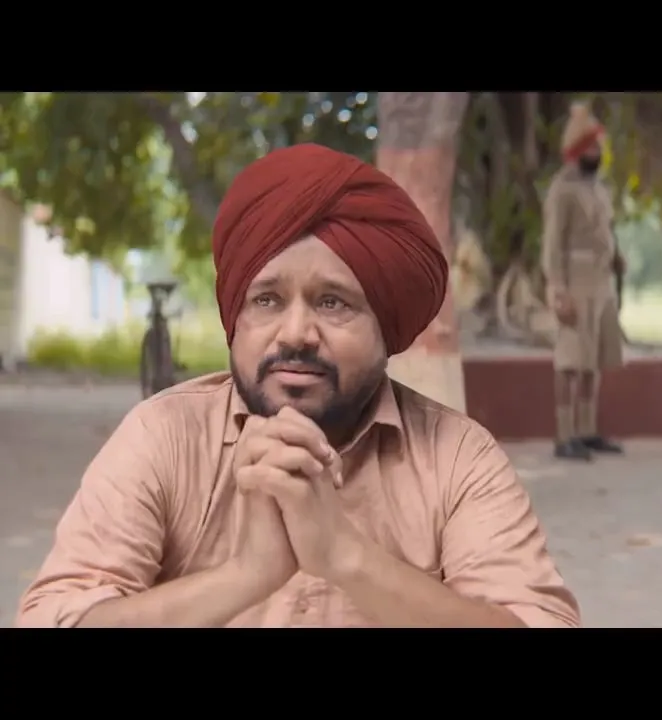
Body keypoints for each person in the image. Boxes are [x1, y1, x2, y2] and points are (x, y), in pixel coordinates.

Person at [16, 144, 580, 628]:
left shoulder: (456, 457)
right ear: (235, 317)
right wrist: (247, 574)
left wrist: (346, 556)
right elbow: (56, 616)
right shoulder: (163, 437)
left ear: (387, 329)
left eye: (333, 303)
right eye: (267, 300)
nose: (295, 334)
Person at [540, 101, 626, 461]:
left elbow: (606, 231)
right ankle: (565, 435)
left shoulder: (600, 188)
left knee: (594, 360)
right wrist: (558, 291)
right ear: (577, 150)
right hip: (574, 281)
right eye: (590, 146)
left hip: (601, 282)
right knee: (570, 361)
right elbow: (552, 244)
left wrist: (617, 257)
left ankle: (587, 431)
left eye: (598, 146)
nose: (597, 152)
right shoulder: (562, 189)